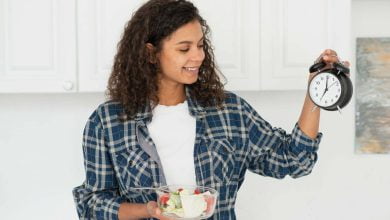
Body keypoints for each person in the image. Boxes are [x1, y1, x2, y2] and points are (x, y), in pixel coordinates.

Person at [73, 0, 349, 219]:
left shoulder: (228, 111)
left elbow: (294, 160)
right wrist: (150, 210)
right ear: (150, 53)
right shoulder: (108, 121)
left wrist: (316, 92)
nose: (198, 56)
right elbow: (92, 205)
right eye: (184, 48)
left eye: (201, 45)